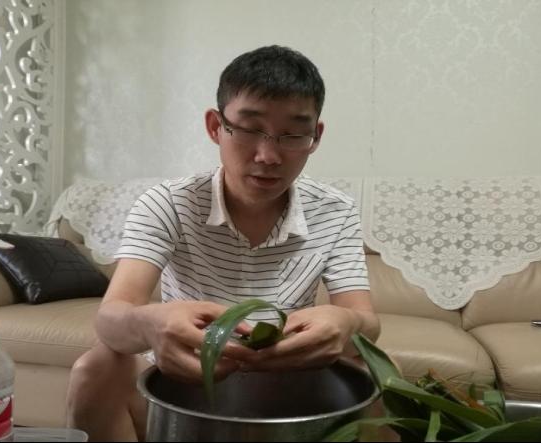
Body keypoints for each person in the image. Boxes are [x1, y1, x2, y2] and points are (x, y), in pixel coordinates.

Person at [66, 45, 380, 441]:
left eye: (292, 134)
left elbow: (367, 324)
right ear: (216, 126)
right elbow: (112, 317)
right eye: (249, 129)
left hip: (289, 384)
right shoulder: (169, 203)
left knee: (380, 377)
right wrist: (149, 323)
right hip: (184, 383)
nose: (268, 155)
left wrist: (347, 323)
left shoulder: (335, 210)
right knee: (95, 368)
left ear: (315, 136)